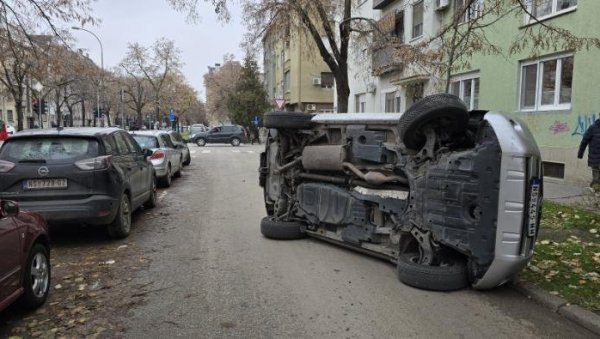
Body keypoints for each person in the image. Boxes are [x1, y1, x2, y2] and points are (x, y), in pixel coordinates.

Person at [577, 117, 600, 191]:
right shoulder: (592, 128)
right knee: (596, 178)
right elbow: (584, 141)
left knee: (597, 179)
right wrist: (580, 154)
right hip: (595, 159)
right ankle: (595, 193)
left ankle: (593, 190)